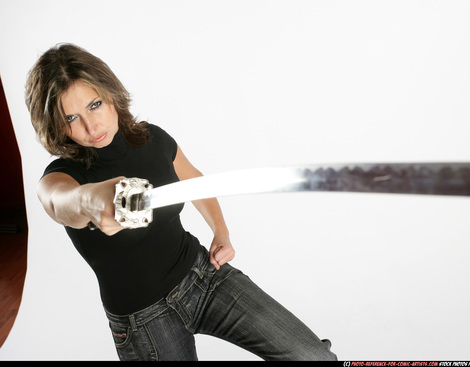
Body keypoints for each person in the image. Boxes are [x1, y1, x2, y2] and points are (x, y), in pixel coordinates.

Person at [24, 43, 337, 361]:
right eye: (71, 117)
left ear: (111, 95)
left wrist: (221, 232)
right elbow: (58, 201)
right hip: (142, 321)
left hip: (202, 277)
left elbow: (195, 182)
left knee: (314, 357)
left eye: (95, 105)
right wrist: (91, 200)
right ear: (54, 125)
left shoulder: (152, 138)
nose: (91, 127)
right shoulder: (62, 176)